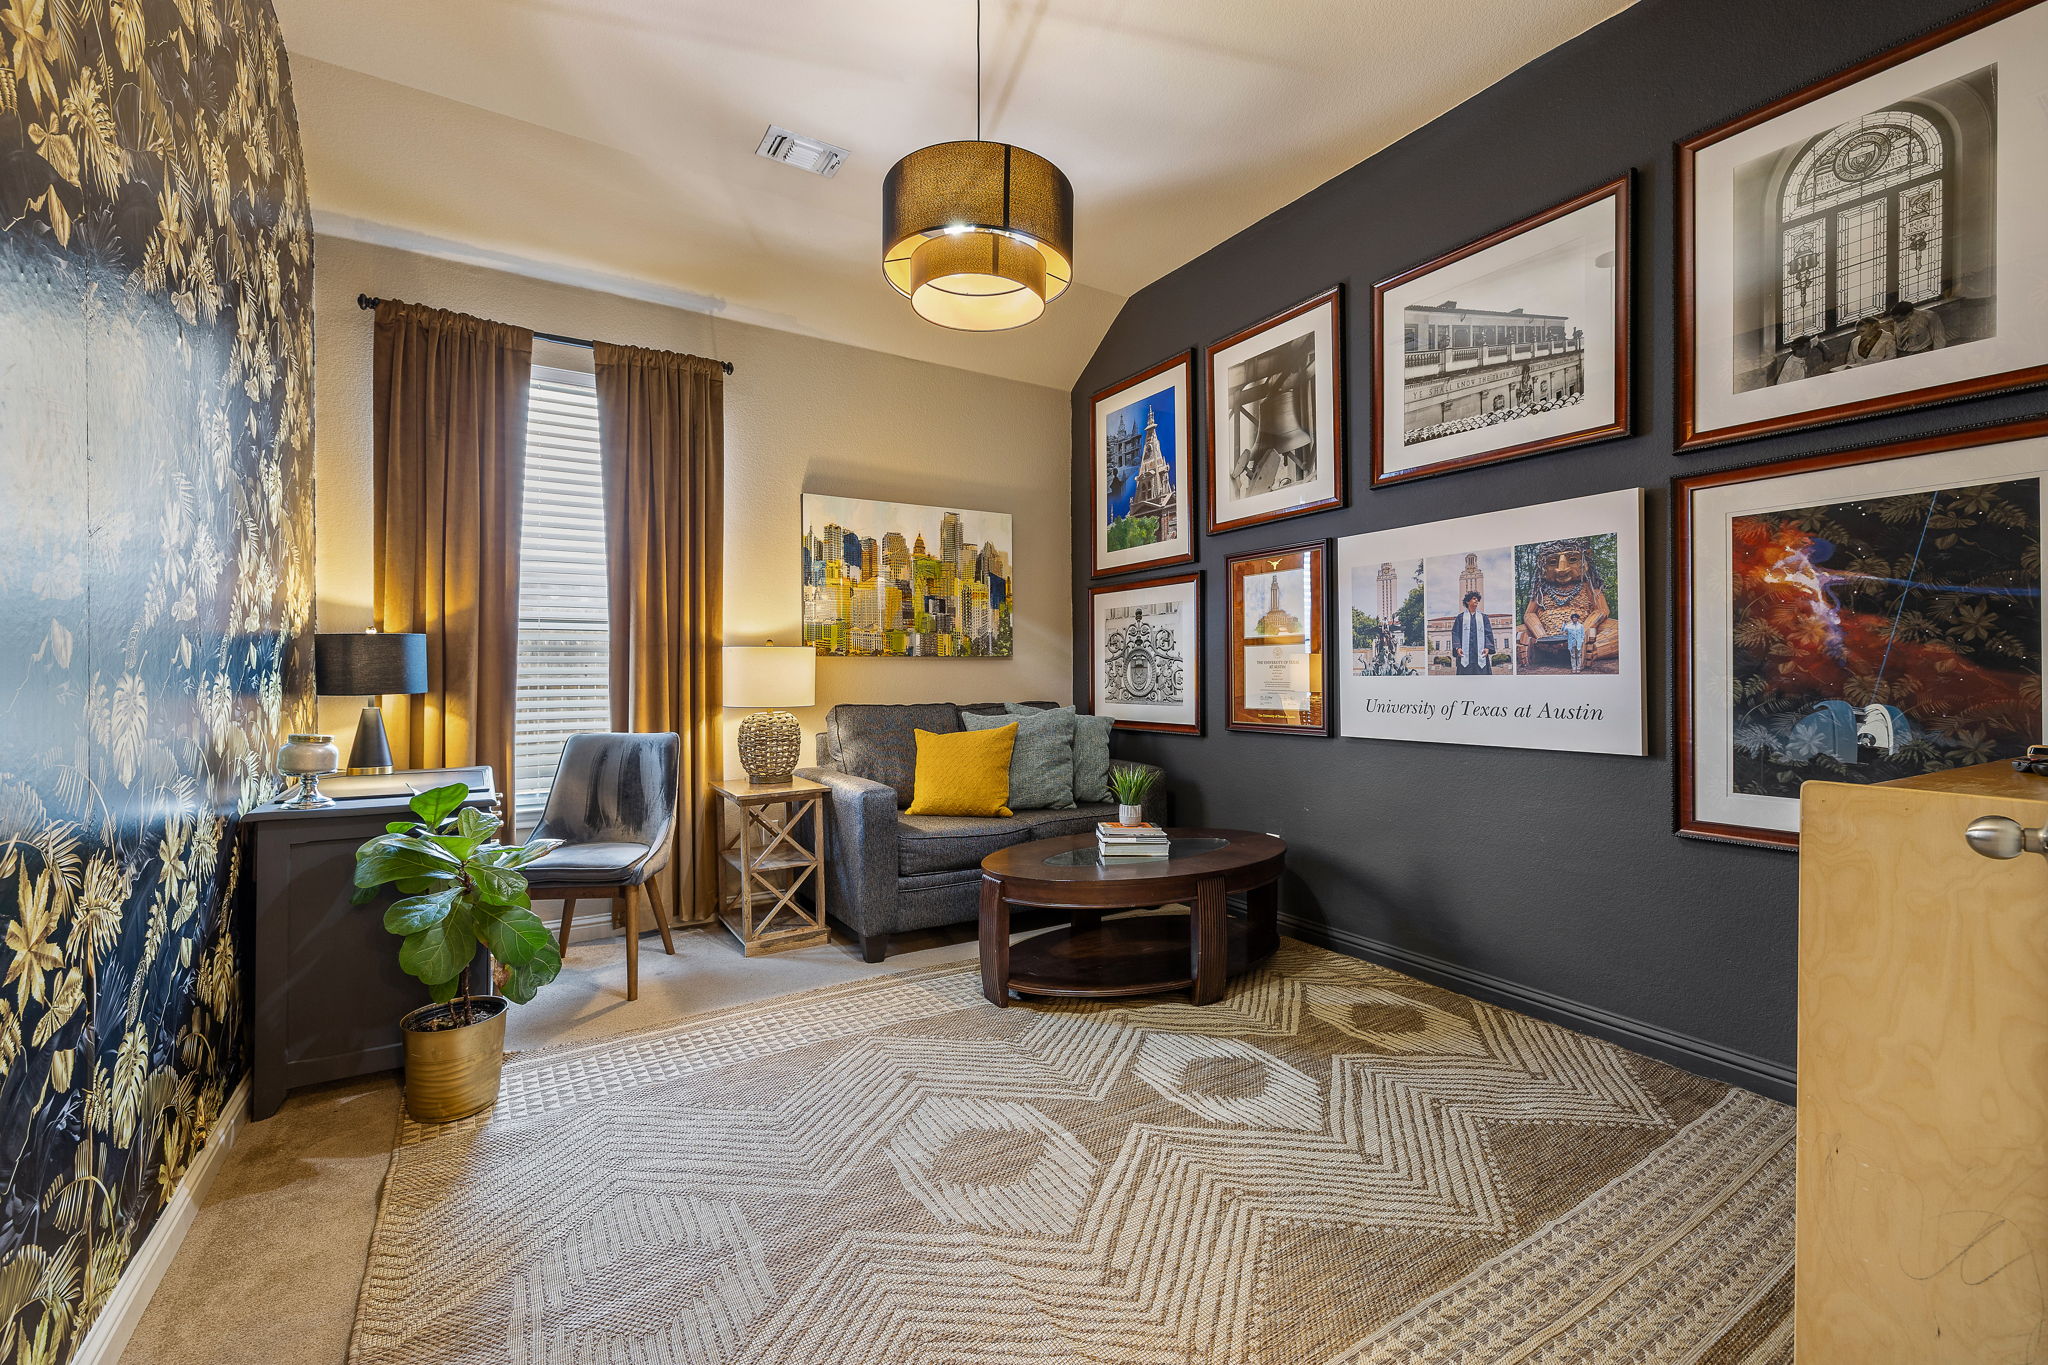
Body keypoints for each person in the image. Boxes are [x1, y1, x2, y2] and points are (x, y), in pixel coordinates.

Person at [1453, 589, 1495, 675]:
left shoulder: (1483, 618)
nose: (1476, 600)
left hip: (1480, 655)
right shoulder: (1460, 618)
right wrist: (1458, 647)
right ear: (1468, 601)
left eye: (1477, 599)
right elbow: (1455, 633)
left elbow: (1488, 633)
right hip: (1465, 655)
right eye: (1474, 598)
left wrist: (1487, 647)